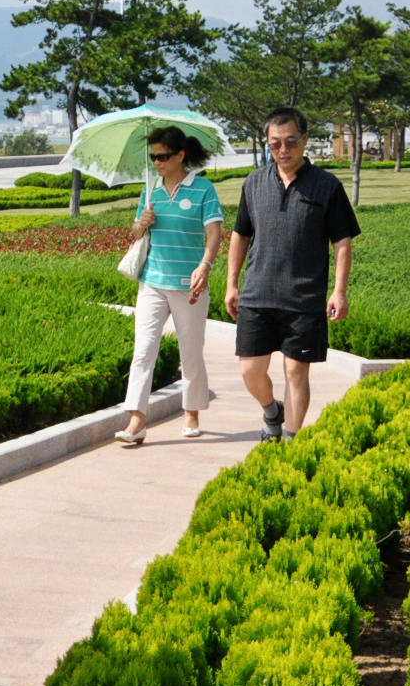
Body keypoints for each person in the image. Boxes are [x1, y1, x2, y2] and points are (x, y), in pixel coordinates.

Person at [224, 107, 359, 442]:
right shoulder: (254, 182)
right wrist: (231, 283)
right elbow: (240, 234)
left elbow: (342, 241)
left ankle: (291, 440)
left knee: (296, 371)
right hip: (257, 294)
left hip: (304, 298)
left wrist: (339, 291)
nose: (283, 150)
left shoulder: (327, 187)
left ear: (305, 140)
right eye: (275, 144)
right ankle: (272, 410)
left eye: (290, 142)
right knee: (250, 369)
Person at [114, 126, 223, 446]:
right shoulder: (149, 192)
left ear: (180, 156)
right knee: (143, 351)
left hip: (189, 287)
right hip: (152, 283)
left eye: (163, 156)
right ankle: (137, 419)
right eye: (153, 157)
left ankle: (192, 411)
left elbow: (214, 233)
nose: (157, 162)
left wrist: (205, 266)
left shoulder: (203, 190)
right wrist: (141, 223)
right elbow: (135, 234)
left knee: (191, 354)